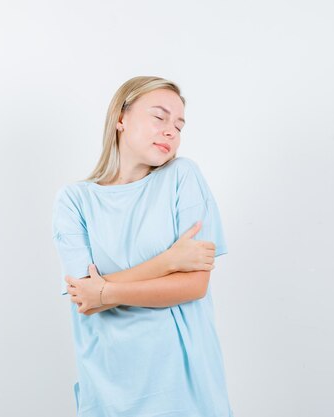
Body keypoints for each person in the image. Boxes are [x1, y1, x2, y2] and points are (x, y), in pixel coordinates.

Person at [51, 76, 235, 417]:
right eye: (160, 117)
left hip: (184, 388)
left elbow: (194, 285)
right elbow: (83, 298)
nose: (171, 131)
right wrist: (167, 261)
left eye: (179, 125)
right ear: (121, 118)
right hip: (109, 389)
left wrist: (104, 291)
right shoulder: (75, 200)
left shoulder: (183, 176)